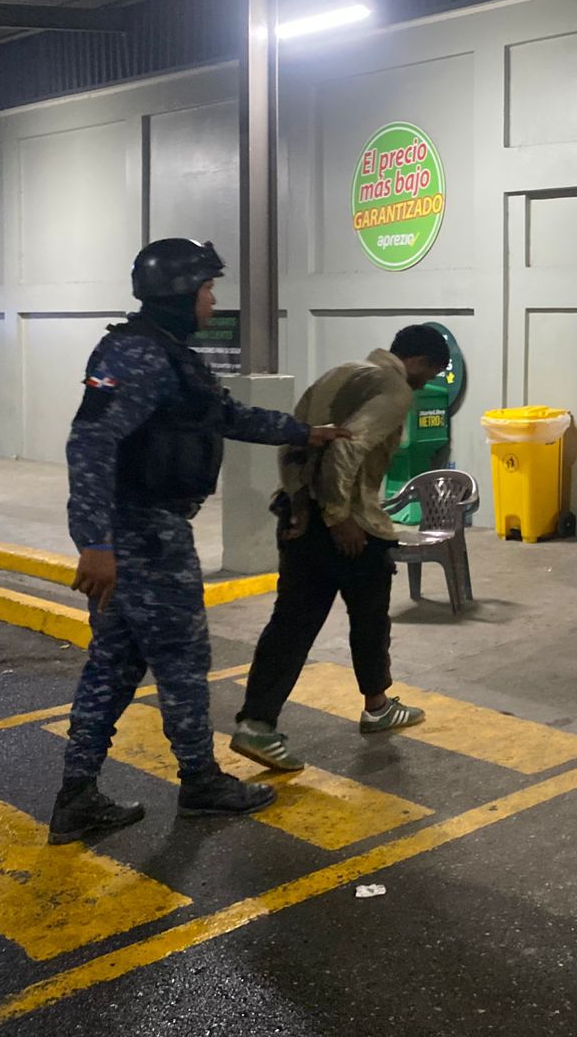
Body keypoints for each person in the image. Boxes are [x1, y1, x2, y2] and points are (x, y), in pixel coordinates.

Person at [50, 239, 347, 845]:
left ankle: (77, 797)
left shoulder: (168, 354)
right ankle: (200, 783)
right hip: (144, 533)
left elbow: (225, 415)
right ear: (180, 293)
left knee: (115, 664)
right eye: (207, 289)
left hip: (141, 530)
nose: (213, 300)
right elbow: (91, 442)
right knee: (182, 661)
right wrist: (94, 542)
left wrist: (303, 432)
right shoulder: (137, 354)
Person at [230, 325, 454, 770]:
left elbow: (295, 439)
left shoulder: (342, 373)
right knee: (368, 619)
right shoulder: (394, 389)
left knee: (292, 623)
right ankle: (376, 707)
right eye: (430, 374)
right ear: (421, 361)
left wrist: (299, 502)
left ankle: (258, 722)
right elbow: (346, 450)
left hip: (302, 518)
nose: (425, 384)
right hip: (350, 526)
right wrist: (338, 518)